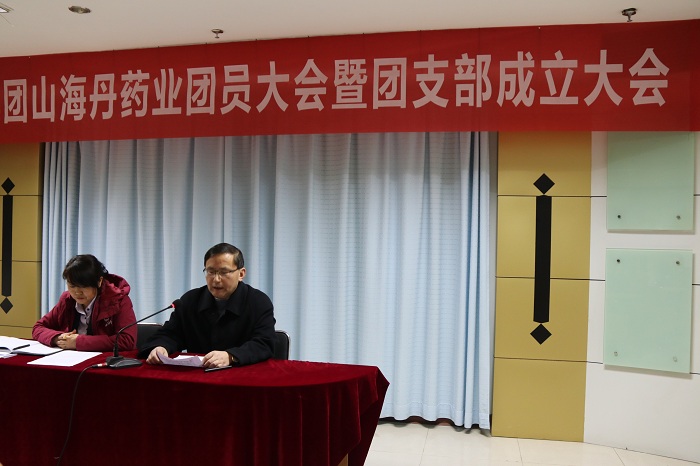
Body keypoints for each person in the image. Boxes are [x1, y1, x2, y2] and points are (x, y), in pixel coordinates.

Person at [139, 243, 275, 368]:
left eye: (224, 272)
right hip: (198, 376)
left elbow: (264, 343)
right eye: (211, 272)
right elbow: (171, 334)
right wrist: (161, 347)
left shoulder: (258, 302)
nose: (216, 279)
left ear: (241, 274)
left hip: (242, 374)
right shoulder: (190, 300)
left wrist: (231, 356)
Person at [33, 254, 137, 351]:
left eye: (83, 286)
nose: (77, 292)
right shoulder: (67, 299)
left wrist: (78, 342)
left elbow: (127, 340)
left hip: (103, 360)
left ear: (99, 281)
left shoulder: (117, 300)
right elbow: (38, 327)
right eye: (72, 286)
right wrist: (58, 338)